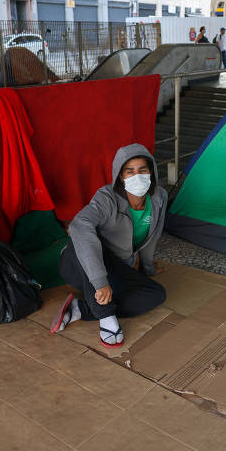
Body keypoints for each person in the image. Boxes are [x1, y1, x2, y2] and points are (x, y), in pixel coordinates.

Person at [55, 143, 167, 348]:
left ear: (152, 171)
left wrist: (148, 268)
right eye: (130, 171)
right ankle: (106, 316)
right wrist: (100, 281)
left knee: (157, 295)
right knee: (83, 241)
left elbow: (154, 235)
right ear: (120, 176)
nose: (137, 176)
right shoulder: (107, 197)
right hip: (81, 266)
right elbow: (80, 225)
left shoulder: (159, 197)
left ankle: (81, 309)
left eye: (142, 170)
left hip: (118, 267)